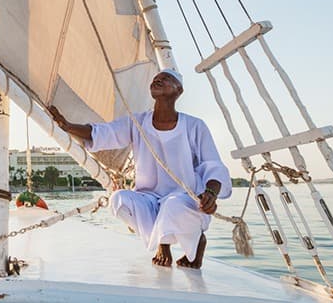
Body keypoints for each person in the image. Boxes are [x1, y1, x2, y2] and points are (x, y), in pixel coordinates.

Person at [49, 68, 231, 269]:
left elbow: (213, 165)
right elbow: (102, 133)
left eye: (166, 79)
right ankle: (162, 243)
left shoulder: (194, 126)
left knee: (172, 205)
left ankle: (195, 239)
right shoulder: (137, 122)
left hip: (183, 200)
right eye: (156, 78)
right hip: (149, 199)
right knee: (118, 200)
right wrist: (68, 126)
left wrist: (211, 194)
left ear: (178, 90)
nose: (158, 80)